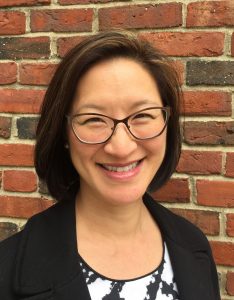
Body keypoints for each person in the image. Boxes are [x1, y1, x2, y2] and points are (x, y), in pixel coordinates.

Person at [0, 31, 220, 300]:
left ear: (167, 124)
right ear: (64, 134)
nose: (121, 147)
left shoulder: (194, 246)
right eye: (94, 120)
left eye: (142, 115)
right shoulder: (6, 270)